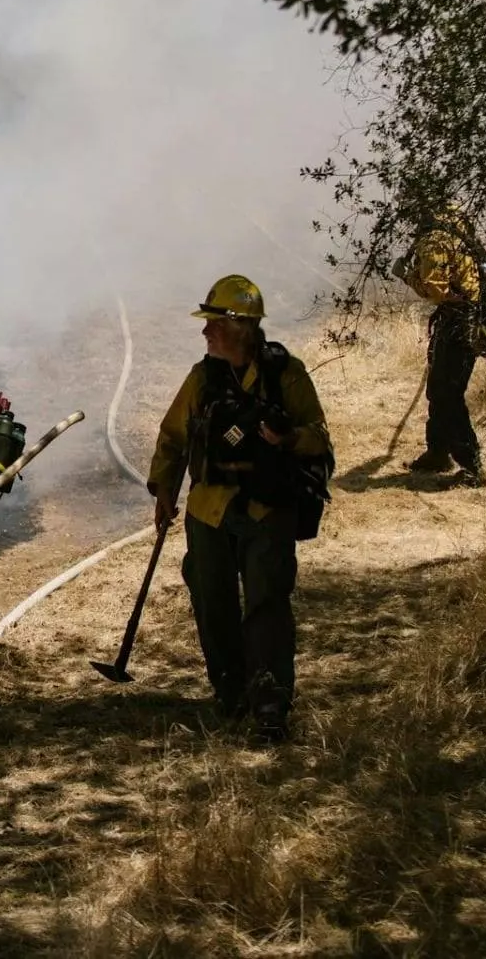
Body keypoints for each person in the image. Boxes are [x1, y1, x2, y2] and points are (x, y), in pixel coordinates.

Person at [146, 274, 332, 744]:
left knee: (267, 603)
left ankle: (270, 701)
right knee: (213, 601)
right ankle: (230, 692)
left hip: (268, 511)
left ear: (241, 327)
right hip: (208, 512)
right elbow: (173, 438)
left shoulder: (286, 376)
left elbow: (320, 438)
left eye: (214, 324)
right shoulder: (202, 379)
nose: (205, 332)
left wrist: (288, 438)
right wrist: (164, 489)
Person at [392, 201, 486, 488]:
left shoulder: (433, 240)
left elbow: (436, 289)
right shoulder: (456, 222)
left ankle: (472, 467)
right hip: (464, 318)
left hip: (459, 323)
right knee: (439, 387)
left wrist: (407, 276)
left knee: (448, 394)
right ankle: (437, 453)